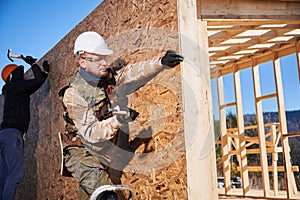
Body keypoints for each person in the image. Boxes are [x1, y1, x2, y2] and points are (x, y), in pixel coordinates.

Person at [59, 31, 184, 199]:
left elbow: (130, 73)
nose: (104, 63)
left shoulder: (105, 76)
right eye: (98, 59)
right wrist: (118, 120)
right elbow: (91, 132)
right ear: (83, 62)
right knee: (106, 196)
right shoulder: (74, 94)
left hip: (101, 152)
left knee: (90, 196)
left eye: (105, 58)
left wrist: (160, 62)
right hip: (81, 153)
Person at [0, 56, 50, 200]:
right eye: (21, 73)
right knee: (15, 175)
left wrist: (44, 73)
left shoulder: (11, 90)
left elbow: (38, 80)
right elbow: (38, 81)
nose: (25, 75)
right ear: (14, 76)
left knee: (3, 178)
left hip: (4, 135)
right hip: (12, 136)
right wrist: (32, 63)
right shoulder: (16, 87)